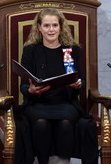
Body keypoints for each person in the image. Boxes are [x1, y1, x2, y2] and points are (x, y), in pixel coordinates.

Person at [16, 8, 98, 164]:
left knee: (65, 123)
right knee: (41, 123)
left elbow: (82, 81)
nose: (51, 29)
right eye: (46, 25)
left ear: (61, 27)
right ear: (39, 27)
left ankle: (63, 162)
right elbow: (23, 86)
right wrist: (31, 90)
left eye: (55, 25)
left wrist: (77, 85)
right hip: (37, 104)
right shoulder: (30, 50)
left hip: (66, 104)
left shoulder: (72, 50)